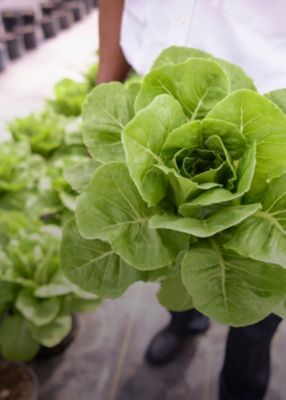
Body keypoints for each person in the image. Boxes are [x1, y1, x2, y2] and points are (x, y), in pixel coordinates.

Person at [96, 1, 285, 399]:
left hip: (272, 116)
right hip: (156, 106)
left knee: (256, 311)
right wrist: (105, 81)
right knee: (177, 272)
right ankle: (184, 324)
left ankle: (241, 387)